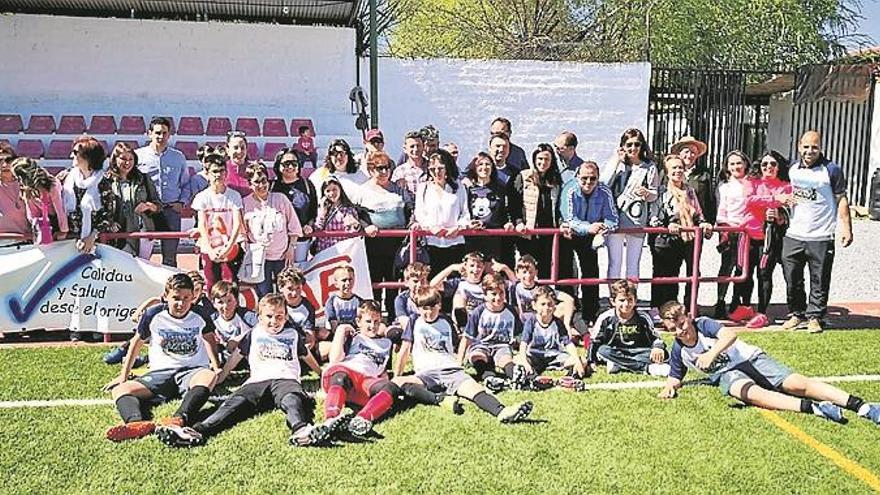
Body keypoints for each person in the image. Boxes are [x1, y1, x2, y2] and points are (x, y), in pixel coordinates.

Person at [155, 293, 347, 448]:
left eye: (279, 316)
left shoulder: (293, 334)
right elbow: (236, 356)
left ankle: (301, 430)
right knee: (234, 404)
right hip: (257, 381)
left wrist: (321, 373)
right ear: (259, 318)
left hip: (285, 378)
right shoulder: (253, 334)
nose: (274, 321)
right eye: (269, 317)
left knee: (292, 400)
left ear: (286, 316)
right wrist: (222, 374)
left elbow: (306, 356)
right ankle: (196, 431)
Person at [657, 300, 880, 426]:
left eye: (681, 323)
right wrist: (670, 387)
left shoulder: (704, 324)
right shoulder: (678, 349)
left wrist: (711, 354)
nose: (680, 330)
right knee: (744, 392)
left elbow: (729, 336)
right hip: (728, 374)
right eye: (673, 329)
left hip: (750, 358)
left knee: (797, 384)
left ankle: (862, 406)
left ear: (687, 315)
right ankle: (816, 409)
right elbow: (675, 376)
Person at [103, 273, 221, 442]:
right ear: (166, 296)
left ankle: (179, 418)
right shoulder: (153, 314)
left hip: (192, 371)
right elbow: (136, 343)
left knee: (209, 376)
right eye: (176, 298)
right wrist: (123, 375)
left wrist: (216, 366)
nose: (181, 303)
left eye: (186, 298)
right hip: (160, 373)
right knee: (120, 390)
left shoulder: (200, 314)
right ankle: (136, 424)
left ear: (193, 297)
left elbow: (209, 338)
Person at [392, 286, 533, 423]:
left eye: (433, 307)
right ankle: (441, 399)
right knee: (397, 383)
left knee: (475, 389)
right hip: (426, 373)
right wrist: (397, 374)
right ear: (418, 308)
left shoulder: (446, 321)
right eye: (424, 308)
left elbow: (454, 345)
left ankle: (502, 411)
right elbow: (405, 350)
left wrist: (460, 362)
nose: (429, 312)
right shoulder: (414, 321)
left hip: (450, 369)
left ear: (439, 305)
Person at [779, 131, 853, 334]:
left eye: (814, 147)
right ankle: (797, 314)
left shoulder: (831, 169)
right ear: (799, 147)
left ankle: (815, 316)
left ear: (820, 147)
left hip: (821, 235)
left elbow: (841, 199)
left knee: (819, 279)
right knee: (792, 278)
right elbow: (780, 189)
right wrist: (780, 197)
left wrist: (846, 227)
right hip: (794, 234)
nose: (810, 151)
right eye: (806, 147)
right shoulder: (792, 168)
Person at [322, 300, 403, 436]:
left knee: (391, 387)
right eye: (368, 321)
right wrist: (341, 330)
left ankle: (361, 419)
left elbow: (382, 370)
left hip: (366, 381)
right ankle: (331, 418)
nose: (373, 326)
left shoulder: (386, 343)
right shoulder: (354, 337)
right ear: (358, 322)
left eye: (377, 322)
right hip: (346, 375)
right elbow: (335, 360)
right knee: (340, 375)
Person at [648, 155, 713, 310]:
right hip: (665, 239)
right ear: (667, 172)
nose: (677, 171)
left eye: (680, 168)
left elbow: (698, 213)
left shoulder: (689, 191)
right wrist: (667, 224)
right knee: (667, 276)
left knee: (693, 273)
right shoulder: (661, 192)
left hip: (688, 237)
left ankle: (688, 308)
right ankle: (661, 310)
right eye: (674, 168)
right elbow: (653, 217)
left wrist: (703, 223)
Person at [558, 161, 618, 323]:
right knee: (565, 271)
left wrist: (603, 228)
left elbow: (612, 217)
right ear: (577, 176)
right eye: (584, 178)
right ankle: (567, 309)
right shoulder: (569, 189)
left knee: (591, 271)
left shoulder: (604, 191)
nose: (588, 182)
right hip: (570, 233)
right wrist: (589, 227)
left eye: (593, 178)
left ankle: (590, 313)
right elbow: (569, 217)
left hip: (592, 234)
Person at [358, 150, 412, 315]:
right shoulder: (362, 190)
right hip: (375, 241)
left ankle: (393, 315)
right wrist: (366, 225)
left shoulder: (399, 188)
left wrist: (409, 226)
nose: (382, 172)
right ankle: (373, 316)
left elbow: (410, 209)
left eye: (386, 168)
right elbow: (357, 213)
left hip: (397, 241)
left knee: (393, 280)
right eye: (378, 168)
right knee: (374, 279)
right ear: (371, 170)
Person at [743, 151, 792, 329]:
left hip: (770, 238)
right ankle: (745, 306)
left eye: (772, 164)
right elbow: (749, 200)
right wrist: (773, 199)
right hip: (749, 235)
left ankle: (762, 312)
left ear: (779, 167)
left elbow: (789, 208)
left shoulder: (785, 185)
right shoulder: (751, 181)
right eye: (765, 164)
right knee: (744, 274)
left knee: (764, 274)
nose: (768, 168)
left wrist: (779, 214)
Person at [603, 128, 659, 281]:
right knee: (615, 262)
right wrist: (616, 160)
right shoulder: (618, 164)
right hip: (616, 218)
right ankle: (615, 297)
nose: (633, 148)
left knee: (633, 263)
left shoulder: (649, 167)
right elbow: (604, 184)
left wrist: (647, 193)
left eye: (637, 144)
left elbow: (655, 194)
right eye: (629, 144)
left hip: (637, 218)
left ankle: (631, 297)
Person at [242, 162, 303, 297]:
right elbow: (243, 232)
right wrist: (249, 252)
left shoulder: (280, 199)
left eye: (264, 180)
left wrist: (291, 249)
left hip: (282, 257)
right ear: (250, 184)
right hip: (260, 259)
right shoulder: (245, 203)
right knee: (265, 296)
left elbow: (293, 226)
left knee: (287, 294)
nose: (261, 185)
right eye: (256, 182)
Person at [136, 117, 189, 267]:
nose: (161, 137)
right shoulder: (138, 156)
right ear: (149, 133)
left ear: (169, 134)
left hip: (171, 210)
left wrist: (181, 203)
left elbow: (185, 183)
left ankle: (171, 288)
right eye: (157, 133)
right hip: (147, 212)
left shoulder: (178, 157)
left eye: (164, 133)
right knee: (143, 256)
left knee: (170, 257)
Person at [508, 143, 565, 279]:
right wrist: (519, 222)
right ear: (534, 159)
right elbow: (514, 203)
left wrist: (561, 223)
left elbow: (558, 207)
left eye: (546, 159)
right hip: (528, 231)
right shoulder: (523, 176)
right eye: (540, 159)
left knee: (546, 267)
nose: (543, 162)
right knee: (527, 266)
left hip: (548, 232)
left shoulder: (555, 180)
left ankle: (543, 296)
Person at [589, 280, 669, 376]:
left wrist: (658, 347)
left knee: (663, 354)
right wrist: (590, 361)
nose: (626, 304)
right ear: (613, 301)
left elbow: (656, 337)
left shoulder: (643, 317)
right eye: (622, 300)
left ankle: (618, 364)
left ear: (635, 300)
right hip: (615, 350)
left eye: (630, 300)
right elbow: (595, 342)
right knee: (602, 351)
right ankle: (646, 368)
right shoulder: (606, 317)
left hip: (638, 351)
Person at [411, 149, 470, 277]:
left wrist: (458, 228)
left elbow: (465, 213)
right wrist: (431, 227)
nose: (436, 172)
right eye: (432, 169)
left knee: (454, 283)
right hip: (431, 242)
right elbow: (419, 213)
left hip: (455, 242)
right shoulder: (423, 188)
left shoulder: (458, 187)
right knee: (433, 284)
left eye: (440, 168)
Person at [191, 155, 245, 293]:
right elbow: (202, 224)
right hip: (209, 248)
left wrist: (228, 247)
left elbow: (237, 223)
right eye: (214, 171)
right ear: (207, 174)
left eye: (221, 171)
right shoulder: (202, 197)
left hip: (231, 247)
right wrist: (209, 249)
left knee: (230, 284)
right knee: (211, 284)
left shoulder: (234, 196)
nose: (218, 175)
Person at [459, 275, 522, 387]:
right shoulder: (478, 312)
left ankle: (516, 376)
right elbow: (467, 338)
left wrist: (522, 355)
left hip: (501, 345)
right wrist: (459, 361)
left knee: (505, 359)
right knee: (477, 356)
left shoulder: (511, 311)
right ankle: (489, 377)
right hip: (481, 345)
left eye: (501, 293)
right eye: (493, 294)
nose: (498, 297)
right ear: (485, 295)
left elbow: (520, 336)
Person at [101, 142, 161, 259]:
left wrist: (148, 206)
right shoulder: (105, 181)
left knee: (143, 266)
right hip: (117, 234)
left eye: (130, 159)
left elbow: (158, 205)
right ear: (115, 159)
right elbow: (100, 207)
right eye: (123, 158)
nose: (127, 163)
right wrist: (109, 222)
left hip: (142, 230)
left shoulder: (143, 178)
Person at [714, 150, 754, 321]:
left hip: (748, 231)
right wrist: (724, 231)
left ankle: (737, 302)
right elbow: (721, 211)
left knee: (743, 269)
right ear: (727, 167)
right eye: (732, 164)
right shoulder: (724, 187)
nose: (736, 166)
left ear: (745, 164)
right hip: (730, 230)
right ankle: (720, 302)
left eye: (739, 163)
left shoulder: (753, 184)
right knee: (726, 268)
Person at [518, 286, 585, 379]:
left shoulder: (557, 323)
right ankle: (533, 376)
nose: (546, 308)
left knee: (582, 360)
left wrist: (576, 359)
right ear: (534, 305)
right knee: (519, 361)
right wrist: (524, 361)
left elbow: (568, 343)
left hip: (555, 356)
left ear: (554, 306)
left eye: (550, 304)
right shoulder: (531, 322)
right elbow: (523, 344)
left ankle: (570, 376)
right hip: (535, 356)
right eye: (543, 304)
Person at [62, 135, 114, 254]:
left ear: (88, 156)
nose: (71, 156)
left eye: (76, 153)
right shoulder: (66, 177)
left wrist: (92, 237)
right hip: (68, 242)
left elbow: (108, 215)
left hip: (97, 244)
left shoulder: (104, 181)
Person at [462, 152, 514, 265]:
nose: (484, 168)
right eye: (480, 164)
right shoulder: (468, 189)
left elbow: (504, 212)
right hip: (472, 237)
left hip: (493, 238)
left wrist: (507, 223)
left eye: (487, 164)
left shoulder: (500, 188)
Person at [271, 148, 318, 263]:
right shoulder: (272, 186)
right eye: (286, 163)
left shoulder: (307, 185)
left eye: (294, 163)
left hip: (301, 240)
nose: (290, 167)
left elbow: (314, 210)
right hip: (276, 241)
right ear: (278, 165)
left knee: (296, 273)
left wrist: (310, 225)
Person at [9, 157, 69, 244]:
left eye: (18, 177)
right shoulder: (27, 189)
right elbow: (32, 213)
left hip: (59, 219)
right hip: (44, 222)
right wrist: (38, 228)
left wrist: (63, 230)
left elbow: (60, 210)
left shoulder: (52, 185)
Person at [313, 176, 364, 254]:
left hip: (342, 251)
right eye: (328, 191)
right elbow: (317, 229)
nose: (332, 193)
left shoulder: (348, 209)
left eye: (334, 189)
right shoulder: (321, 208)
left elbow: (354, 233)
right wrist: (322, 213)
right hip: (324, 250)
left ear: (340, 189)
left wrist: (354, 224)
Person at [670, 136, 715, 223]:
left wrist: (709, 222)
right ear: (679, 153)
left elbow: (710, 200)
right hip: (674, 223)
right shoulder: (668, 173)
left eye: (693, 152)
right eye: (686, 151)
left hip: (697, 223)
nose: (690, 155)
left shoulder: (704, 174)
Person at [209, 280, 257, 362]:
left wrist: (240, 338)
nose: (225, 306)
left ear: (236, 301)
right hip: (223, 355)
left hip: (244, 355)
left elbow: (263, 325)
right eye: (220, 302)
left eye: (229, 301)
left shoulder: (245, 315)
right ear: (214, 304)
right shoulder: (211, 320)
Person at [276, 267, 317, 347]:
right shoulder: (275, 304)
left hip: (298, 344)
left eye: (298, 288)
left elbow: (310, 338)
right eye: (290, 289)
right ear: (281, 288)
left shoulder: (308, 307)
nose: (294, 293)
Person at [0, 143, 30, 244]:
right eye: (0, 161)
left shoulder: (27, 185)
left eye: (8, 160)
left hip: (28, 248)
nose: (4, 165)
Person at [391, 130, 429, 196]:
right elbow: (394, 194)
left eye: (418, 145)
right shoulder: (399, 172)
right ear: (405, 149)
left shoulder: (432, 168)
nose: (416, 149)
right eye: (412, 146)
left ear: (423, 147)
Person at [224, 130, 253, 197]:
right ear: (228, 150)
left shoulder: (254, 169)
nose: (239, 151)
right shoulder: (222, 168)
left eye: (242, 148)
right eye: (235, 148)